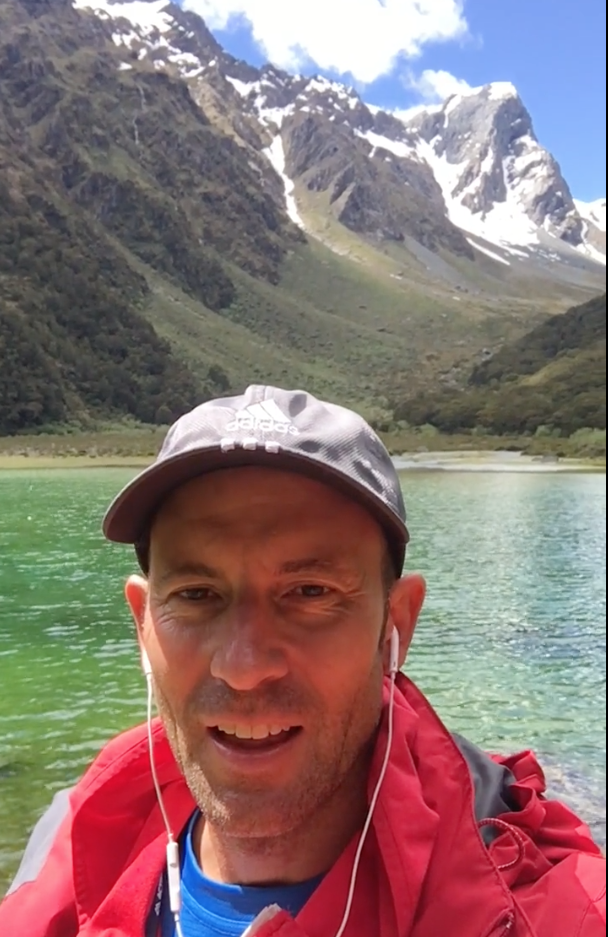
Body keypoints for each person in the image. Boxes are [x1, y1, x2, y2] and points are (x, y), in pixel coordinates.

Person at [1, 384, 605, 937]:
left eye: (310, 592)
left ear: (395, 626)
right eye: (196, 595)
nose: (243, 667)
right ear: (143, 624)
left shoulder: (550, 910)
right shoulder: (66, 847)